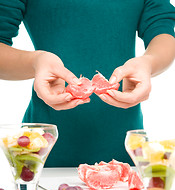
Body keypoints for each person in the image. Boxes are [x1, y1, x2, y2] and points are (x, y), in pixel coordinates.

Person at [0, 0, 174, 167]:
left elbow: (163, 30)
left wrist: (149, 63)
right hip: (43, 150)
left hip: (127, 148)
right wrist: (35, 62)